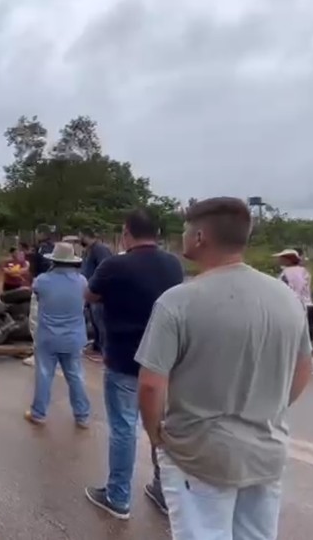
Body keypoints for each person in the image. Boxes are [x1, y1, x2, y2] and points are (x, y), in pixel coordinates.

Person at [137, 197, 313, 539]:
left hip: (198, 454)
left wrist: (156, 434)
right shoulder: (286, 300)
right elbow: (303, 368)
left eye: (186, 231)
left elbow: (150, 385)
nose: (182, 237)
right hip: (266, 452)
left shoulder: (178, 302)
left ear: (200, 237)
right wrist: (268, 407)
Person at [84, 209, 184, 519]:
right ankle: (164, 491)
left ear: (127, 233)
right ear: (156, 233)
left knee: (124, 428)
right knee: (160, 425)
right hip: (165, 360)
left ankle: (118, 497)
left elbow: (90, 294)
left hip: (125, 358)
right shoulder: (173, 264)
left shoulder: (116, 264)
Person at [24, 242, 91, 427]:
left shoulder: (42, 281)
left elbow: (37, 297)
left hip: (48, 337)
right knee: (75, 376)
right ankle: (82, 416)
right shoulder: (82, 281)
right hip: (73, 338)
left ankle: (39, 413)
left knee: (44, 375)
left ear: (53, 260)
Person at [79, 228, 113, 358]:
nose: (80, 240)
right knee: (94, 321)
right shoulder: (90, 250)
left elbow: (105, 269)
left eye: (81, 237)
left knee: (100, 321)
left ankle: (105, 351)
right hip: (91, 291)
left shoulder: (99, 249)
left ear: (87, 236)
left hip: (99, 293)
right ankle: (98, 345)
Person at [274, 248, 313, 341]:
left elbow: (292, 289)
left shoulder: (288, 272)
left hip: (295, 306)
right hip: (307, 305)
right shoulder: (304, 271)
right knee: (307, 335)